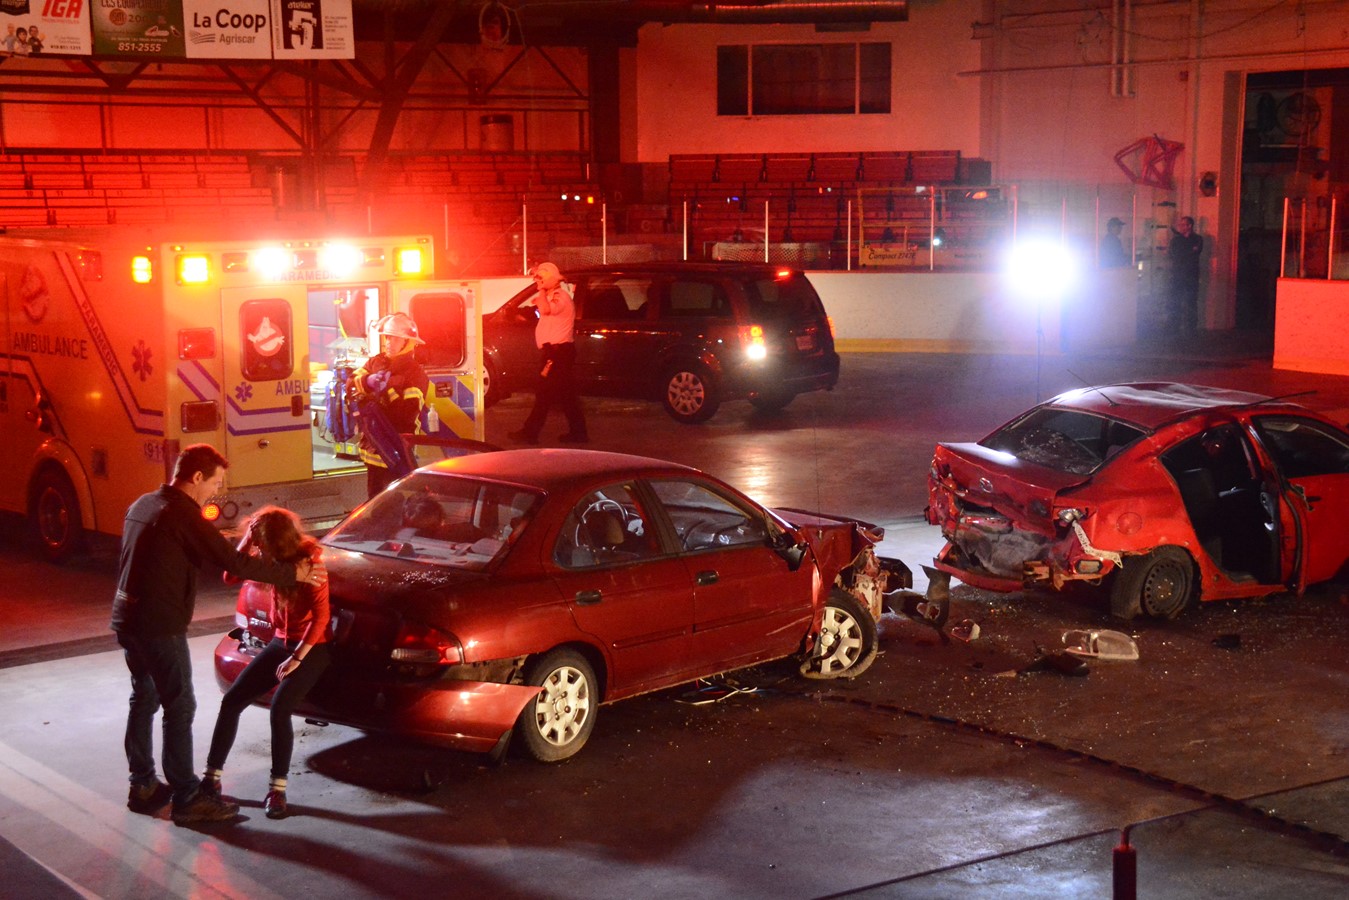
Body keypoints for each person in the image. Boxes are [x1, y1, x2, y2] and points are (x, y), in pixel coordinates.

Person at [111, 444, 327, 825]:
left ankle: (142, 784)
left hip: (127, 618)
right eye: (215, 482)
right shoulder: (183, 514)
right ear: (197, 477)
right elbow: (231, 564)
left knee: (143, 698)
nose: (216, 491)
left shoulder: (142, 505)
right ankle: (188, 797)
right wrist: (293, 574)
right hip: (160, 625)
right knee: (180, 706)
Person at [203, 507, 330, 820]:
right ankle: (210, 780)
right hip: (279, 642)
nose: (261, 550)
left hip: (311, 648)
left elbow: (322, 618)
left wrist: (296, 658)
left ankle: (278, 790)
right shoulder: (268, 559)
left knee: (280, 709)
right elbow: (229, 575)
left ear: (280, 542)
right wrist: (246, 540)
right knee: (232, 701)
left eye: (263, 543)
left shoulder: (309, 561)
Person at [353, 312, 431, 498]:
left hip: (396, 451)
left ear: (408, 342)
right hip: (373, 450)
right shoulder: (376, 362)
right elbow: (350, 384)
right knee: (375, 501)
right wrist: (367, 382)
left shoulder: (414, 374)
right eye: (387, 338)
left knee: (392, 504)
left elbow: (405, 416)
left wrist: (383, 393)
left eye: (395, 339)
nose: (388, 342)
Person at [508, 261, 588, 444]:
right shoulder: (553, 295)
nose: (538, 280)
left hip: (557, 354)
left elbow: (545, 309)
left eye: (541, 277)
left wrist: (541, 292)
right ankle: (579, 433)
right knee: (566, 396)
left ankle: (530, 433)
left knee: (543, 394)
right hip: (557, 353)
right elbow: (540, 313)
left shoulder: (560, 296)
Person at [1167, 216, 1203, 335]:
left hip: (1191, 275)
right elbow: (1174, 254)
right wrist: (1189, 251)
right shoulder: (1176, 240)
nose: (1180, 227)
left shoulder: (1197, 239)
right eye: (1180, 225)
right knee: (1175, 301)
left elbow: (1194, 253)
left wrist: (1185, 253)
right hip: (1178, 274)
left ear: (1189, 226)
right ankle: (1174, 327)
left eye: (1183, 225)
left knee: (1191, 302)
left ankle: (1190, 328)